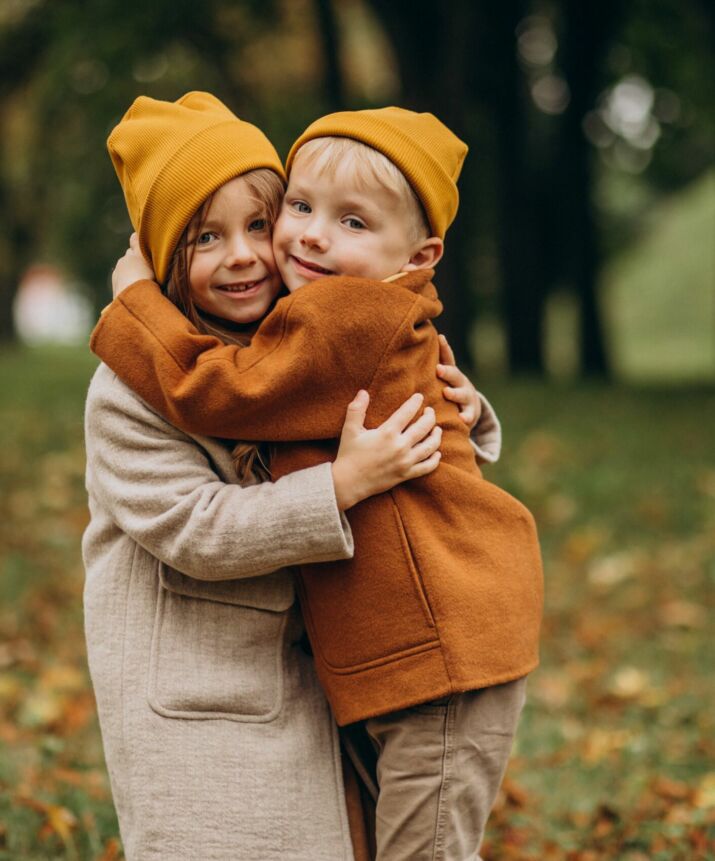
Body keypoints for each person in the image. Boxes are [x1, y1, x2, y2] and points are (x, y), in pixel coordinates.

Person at [84, 93, 500, 861]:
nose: (243, 255)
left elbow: (400, 368)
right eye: (204, 237)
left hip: (324, 675)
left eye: (256, 224)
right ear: (161, 253)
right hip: (195, 694)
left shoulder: (295, 337)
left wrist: (466, 408)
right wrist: (340, 486)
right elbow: (194, 527)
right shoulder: (129, 388)